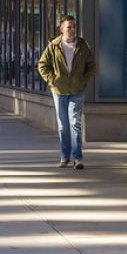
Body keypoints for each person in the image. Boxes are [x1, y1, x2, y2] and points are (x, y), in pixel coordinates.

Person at [38, 15, 96, 169]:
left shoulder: (83, 46)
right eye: (69, 26)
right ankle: (64, 157)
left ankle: (77, 158)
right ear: (61, 29)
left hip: (77, 89)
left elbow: (92, 66)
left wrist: (83, 81)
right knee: (63, 125)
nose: (72, 29)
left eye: (74, 26)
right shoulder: (54, 45)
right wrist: (52, 80)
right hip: (59, 90)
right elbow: (42, 65)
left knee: (75, 123)